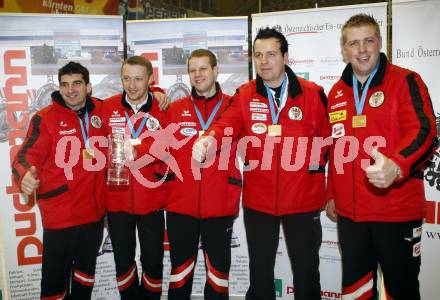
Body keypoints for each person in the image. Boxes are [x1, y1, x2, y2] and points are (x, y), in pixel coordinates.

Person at [192, 28, 330, 300]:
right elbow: (226, 125)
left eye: (271, 54)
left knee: (306, 274)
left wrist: (307, 173)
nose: (264, 61)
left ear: (285, 57)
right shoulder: (245, 94)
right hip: (259, 202)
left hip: (303, 201)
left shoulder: (312, 94)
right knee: (260, 276)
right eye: (258, 55)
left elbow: (327, 143)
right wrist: (209, 140)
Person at [325, 14, 437, 299]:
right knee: (355, 292)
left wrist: (397, 165)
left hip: (395, 211)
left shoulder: (406, 80)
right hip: (351, 215)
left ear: (380, 43)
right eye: (354, 43)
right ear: (344, 49)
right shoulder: (337, 91)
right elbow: (337, 149)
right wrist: (332, 193)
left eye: (369, 41)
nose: (362, 50)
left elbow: (424, 130)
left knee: (401, 290)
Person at [12, 61, 106, 299]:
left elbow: (133, 103)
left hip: (94, 216)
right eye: (65, 85)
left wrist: (156, 94)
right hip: (60, 216)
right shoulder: (46, 119)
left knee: (85, 279)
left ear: (89, 87)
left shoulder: (103, 111)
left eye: (76, 83)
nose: (70, 90)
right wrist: (24, 177)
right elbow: (24, 157)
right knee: (55, 285)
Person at [164, 49, 242, 299]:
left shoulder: (233, 106)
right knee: (180, 274)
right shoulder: (175, 108)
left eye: (203, 68)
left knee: (218, 276)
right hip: (181, 205)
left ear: (216, 70)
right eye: (192, 70)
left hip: (219, 204)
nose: (197, 75)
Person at [101, 55, 168, 299]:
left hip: (151, 200)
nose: (132, 85)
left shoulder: (163, 108)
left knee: (153, 262)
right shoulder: (106, 107)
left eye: (139, 79)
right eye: (126, 78)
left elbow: (167, 144)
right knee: (123, 262)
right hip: (117, 201)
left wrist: (138, 149)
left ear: (150, 79)